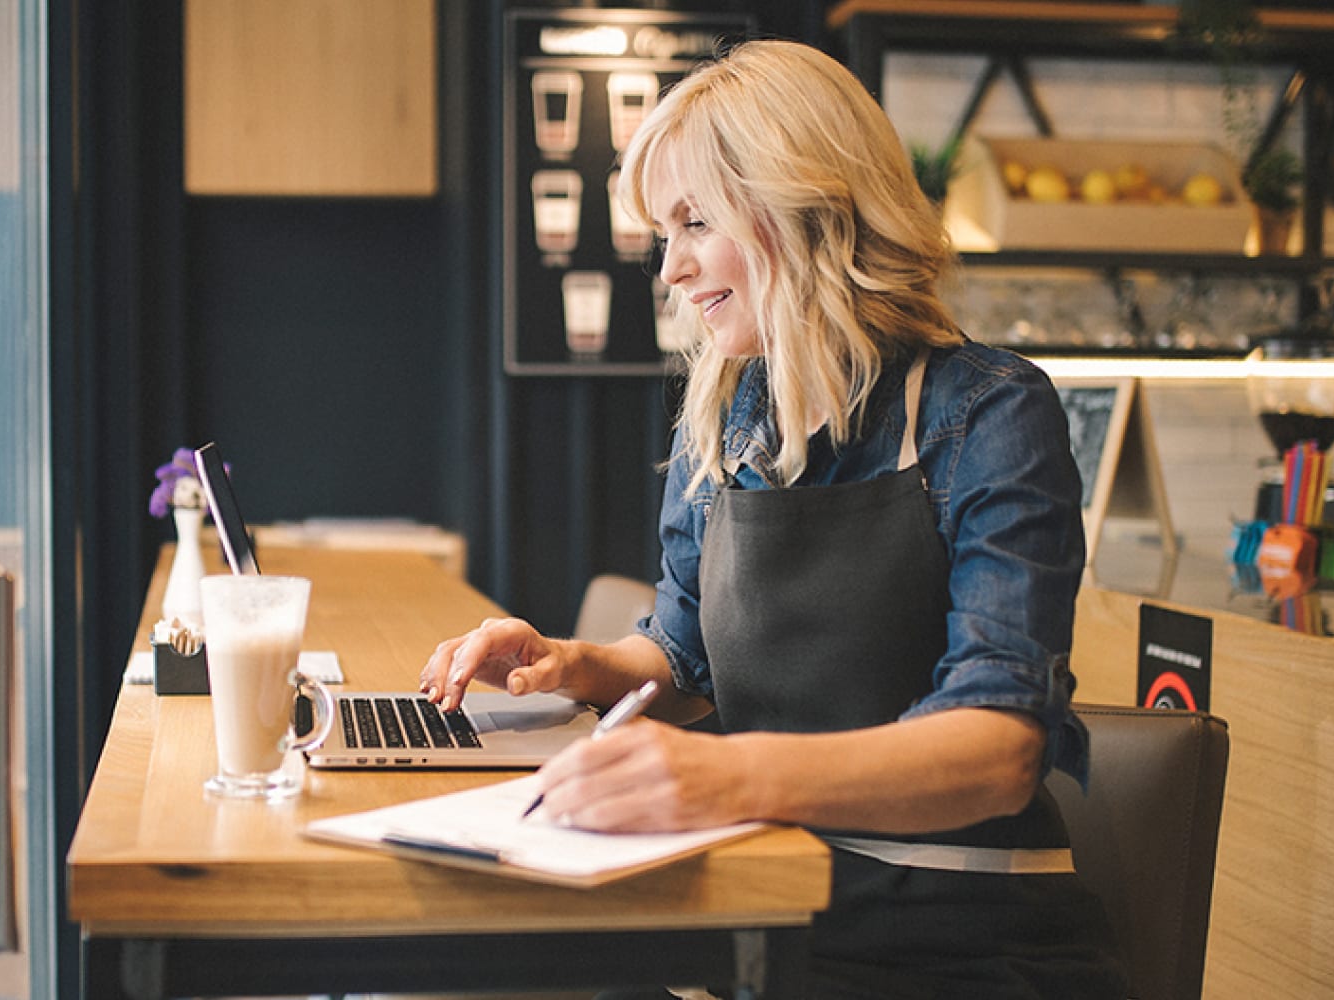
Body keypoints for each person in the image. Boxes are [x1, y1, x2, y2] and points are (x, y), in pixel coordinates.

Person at [422, 39, 1125, 999]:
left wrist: (727, 779)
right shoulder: (726, 418)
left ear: (806, 204)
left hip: (957, 940)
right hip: (763, 900)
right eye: (664, 233)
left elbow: (998, 751)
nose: (672, 268)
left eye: (696, 221)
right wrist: (570, 664)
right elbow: (684, 659)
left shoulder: (988, 413)